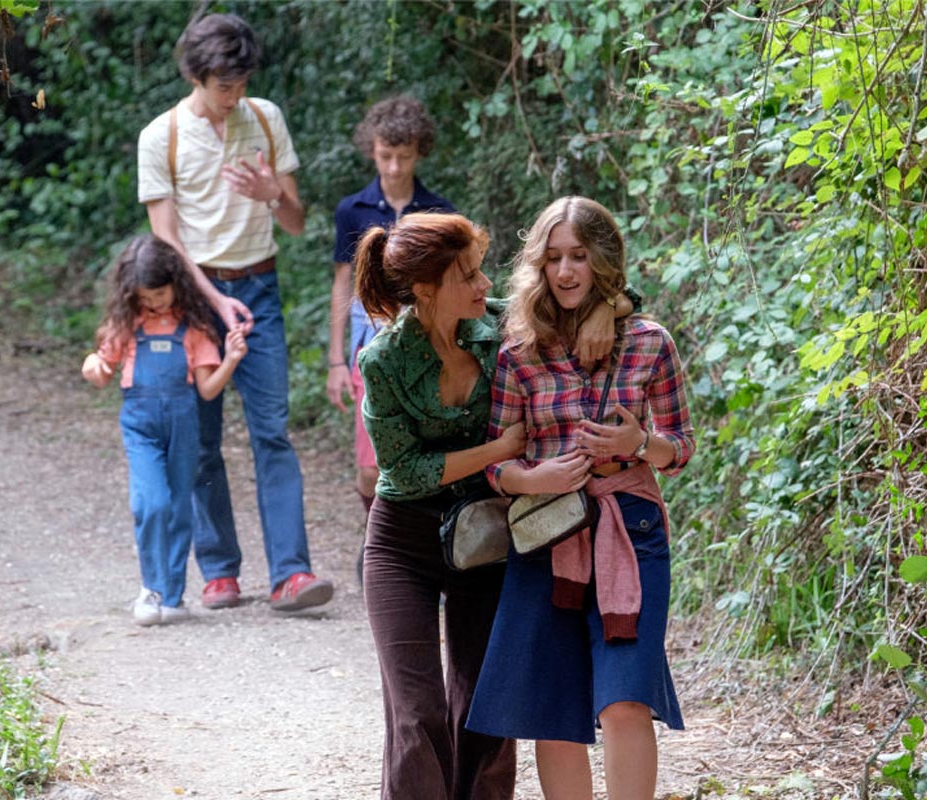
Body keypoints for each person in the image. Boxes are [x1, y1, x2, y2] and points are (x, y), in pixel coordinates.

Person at [354, 212, 630, 799]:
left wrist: (609, 309)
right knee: (416, 710)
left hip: (485, 535)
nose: (485, 285)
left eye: (482, 271)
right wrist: (499, 450)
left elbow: (586, 299)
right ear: (426, 290)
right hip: (402, 541)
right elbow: (402, 470)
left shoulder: (502, 325)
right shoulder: (381, 361)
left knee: (484, 704)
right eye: (468, 276)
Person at [466, 196, 695, 800]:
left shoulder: (649, 342)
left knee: (626, 699)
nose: (566, 272)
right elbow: (497, 462)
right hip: (546, 532)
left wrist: (640, 440)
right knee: (555, 707)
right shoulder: (518, 351)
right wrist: (530, 478)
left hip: (630, 526)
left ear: (604, 261)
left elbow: (683, 447)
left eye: (579, 257)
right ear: (538, 267)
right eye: (553, 259)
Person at [136, 12, 332, 612]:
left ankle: (291, 576)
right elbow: (165, 240)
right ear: (197, 76)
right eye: (225, 86)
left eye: (242, 83)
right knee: (199, 441)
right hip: (195, 300)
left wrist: (274, 195)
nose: (235, 96)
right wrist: (213, 299)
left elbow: (297, 223)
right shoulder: (160, 136)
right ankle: (219, 570)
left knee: (273, 432)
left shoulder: (266, 119)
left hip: (262, 292)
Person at [81, 234, 248, 626]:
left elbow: (207, 388)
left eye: (159, 294)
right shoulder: (127, 323)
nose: (153, 302)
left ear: (176, 282)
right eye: (145, 296)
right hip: (140, 425)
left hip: (184, 424)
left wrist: (232, 359)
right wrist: (93, 366)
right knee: (150, 504)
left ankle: (172, 596)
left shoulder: (195, 328)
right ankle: (150, 587)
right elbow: (99, 370)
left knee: (178, 508)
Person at [327, 95, 455, 581]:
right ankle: (379, 539)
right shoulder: (353, 210)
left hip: (429, 348)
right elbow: (342, 283)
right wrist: (336, 361)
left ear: (420, 151)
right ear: (372, 151)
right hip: (370, 345)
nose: (395, 166)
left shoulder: (440, 212)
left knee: (428, 455)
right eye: (385, 155)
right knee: (368, 466)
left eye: (404, 155)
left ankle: (420, 554)